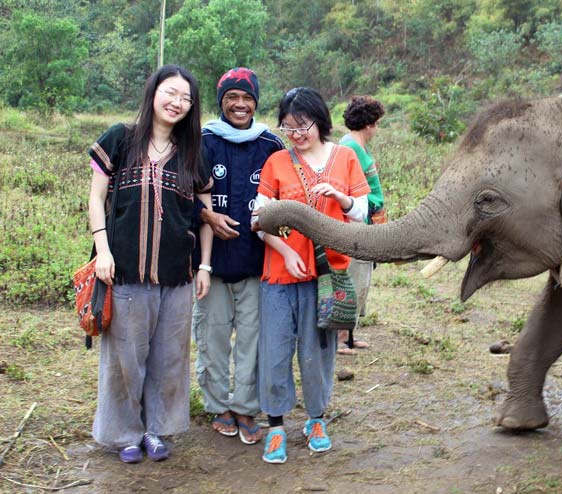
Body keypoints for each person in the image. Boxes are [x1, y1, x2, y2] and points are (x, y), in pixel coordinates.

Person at [87, 65, 213, 464]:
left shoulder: (192, 152)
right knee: (125, 359)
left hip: (177, 275)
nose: (177, 102)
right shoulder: (120, 139)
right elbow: (95, 199)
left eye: (186, 98)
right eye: (170, 92)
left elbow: (206, 210)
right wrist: (102, 251)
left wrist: (205, 265)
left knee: (169, 358)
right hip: (124, 271)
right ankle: (126, 433)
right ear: (153, 92)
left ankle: (158, 430)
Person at [253, 87, 369, 464]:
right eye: (288, 127)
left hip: (328, 274)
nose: (297, 134)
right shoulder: (276, 162)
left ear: (319, 120)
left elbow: (362, 213)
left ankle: (316, 419)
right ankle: (275, 426)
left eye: (303, 125)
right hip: (280, 275)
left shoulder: (346, 157)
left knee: (318, 352)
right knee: (275, 351)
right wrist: (285, 252)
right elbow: (258, 220)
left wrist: (340, 197)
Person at [192, 67, 284, 445]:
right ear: (221, 102)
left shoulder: (272, 146)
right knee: (212, 339)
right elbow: (183, 195)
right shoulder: (201, 142)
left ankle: (247, 407)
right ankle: (219, 406)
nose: (240, 104)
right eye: (232, 97)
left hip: (257, 265)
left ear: (256, 102)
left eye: (247, 98)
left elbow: (286, 198)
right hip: (210, 266)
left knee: (252, 340)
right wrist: (207, 216)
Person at [337, 96, 386, 355]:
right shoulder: (348, 148)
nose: (377, 128)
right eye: (377, 123)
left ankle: (350, 334)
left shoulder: (358, 147)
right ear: (368, 123)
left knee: (362, 278)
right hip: (354, 223)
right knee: (352, 279)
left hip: (367, 221)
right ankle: (341, 338)